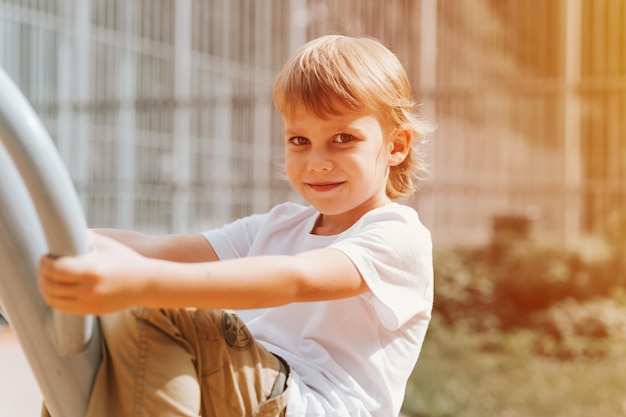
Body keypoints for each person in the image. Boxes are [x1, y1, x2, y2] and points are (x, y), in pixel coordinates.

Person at [38, 34, 434, 417]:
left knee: (153, 307)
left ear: (396, 146)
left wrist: (141, 281)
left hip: (311, 404)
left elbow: (296, 278)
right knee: (101, 348)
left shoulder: (397, 236)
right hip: (253, 390)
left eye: (343, 138)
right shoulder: (279, 225)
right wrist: (44, 240)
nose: (316, 161)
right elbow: (154, 247)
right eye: (299, 140)